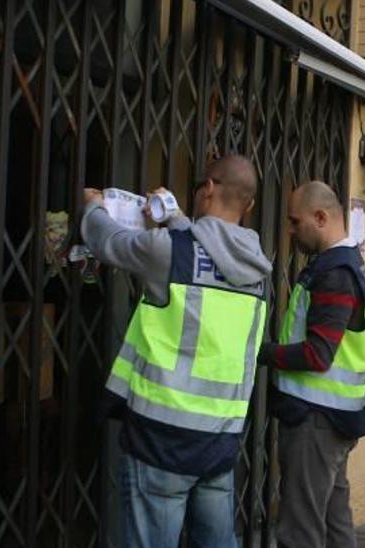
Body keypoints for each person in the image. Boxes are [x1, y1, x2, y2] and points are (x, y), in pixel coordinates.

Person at [82, 155, 272, 548]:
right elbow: (211, 260)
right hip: (220, 441)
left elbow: (109, 242)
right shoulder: (258, 273)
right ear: (249, 206)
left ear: (208, 189)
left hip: (161, 443)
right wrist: (177, 219)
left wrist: (93, 208)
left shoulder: (168, 251)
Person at [263, 181, 365, 548]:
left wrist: (260, 353)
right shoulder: (343, 264)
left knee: (301, 530)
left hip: (317, 422)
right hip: (333, 418)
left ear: (321, 217)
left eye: (296, 222)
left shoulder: (336, 273)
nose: (291, 230)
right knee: (333, 521)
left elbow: (317, 355)